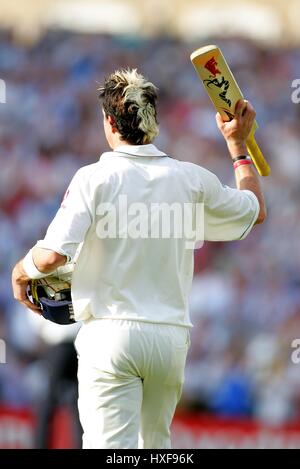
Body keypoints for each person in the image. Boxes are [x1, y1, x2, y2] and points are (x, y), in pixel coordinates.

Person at [12, 68, 266, 449]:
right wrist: (238, 146)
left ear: (110, 123)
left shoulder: (93, 178)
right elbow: (256, 210)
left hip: (110, 334)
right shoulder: (190, 179)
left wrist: (20, 272)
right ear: (153, 122)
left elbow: (51, 257)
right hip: (170, 338)